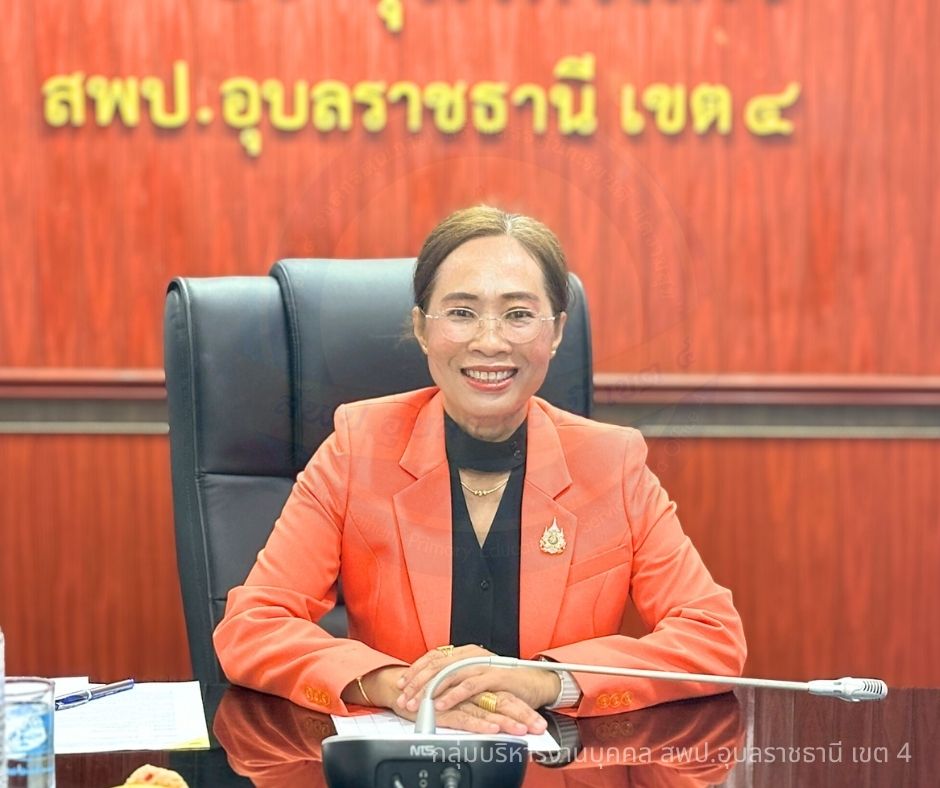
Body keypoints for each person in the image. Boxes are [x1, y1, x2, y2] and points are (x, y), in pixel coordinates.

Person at [213, 206, 746, 737]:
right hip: (406, 758)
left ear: (556, 332)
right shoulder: (357, 450)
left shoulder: (612, 464)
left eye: (518, 315)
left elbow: (713, 638)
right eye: (462, 312)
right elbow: (252, 627)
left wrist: (549, 680)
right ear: (422, 328)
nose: (490, 341)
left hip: (557, 763)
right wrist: (400, 688)